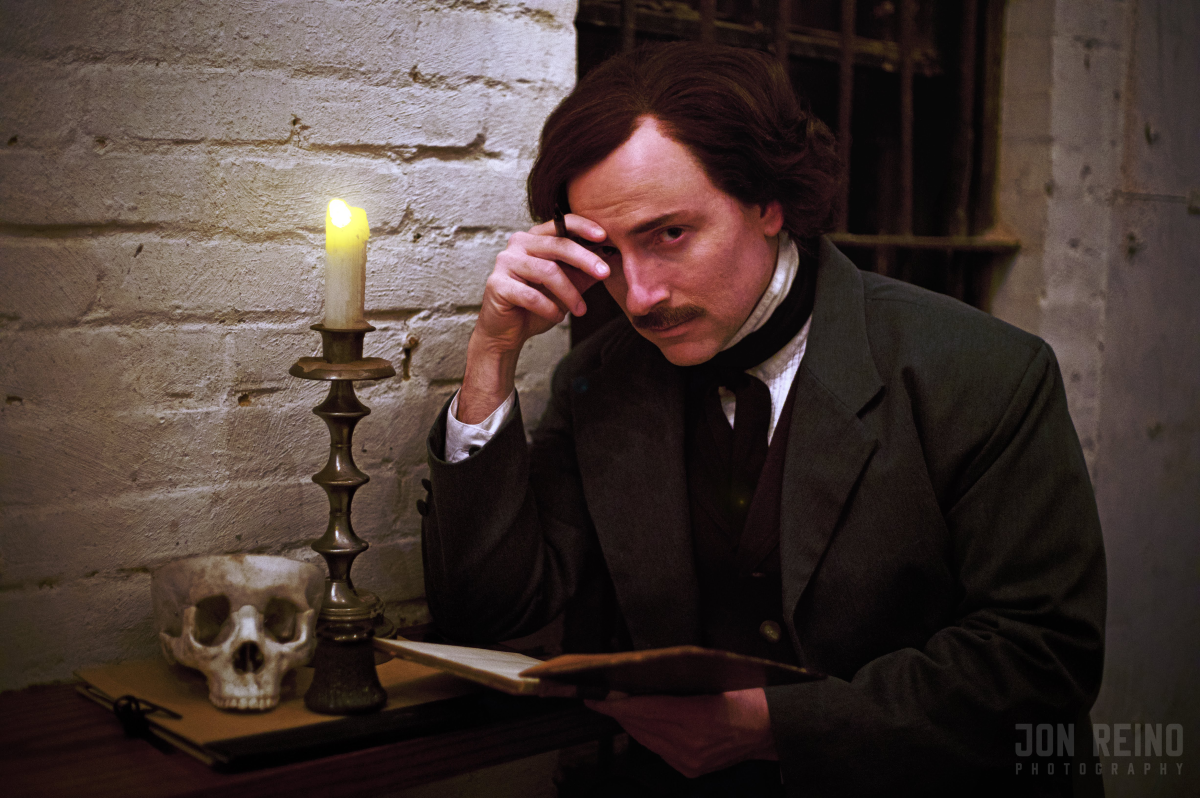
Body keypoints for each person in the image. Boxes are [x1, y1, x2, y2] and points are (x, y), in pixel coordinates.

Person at [417, 42, 1106, 796]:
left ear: (770, 203)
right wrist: (492, 352)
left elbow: (1042, 658)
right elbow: (499, 617)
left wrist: (777, 727)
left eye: (669, 234)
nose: (640, 295)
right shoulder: (601, 381)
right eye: (607, 251)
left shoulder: (983, 372)